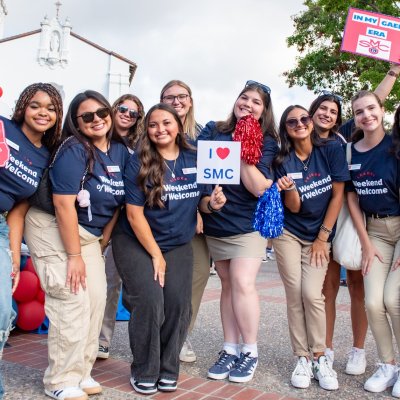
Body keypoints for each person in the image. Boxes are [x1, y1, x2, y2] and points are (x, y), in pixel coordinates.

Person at [112, 103, 226, 395]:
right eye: (153, 124)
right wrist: (156, 256)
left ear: (178, 125)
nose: (160, 129)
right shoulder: (138, 160)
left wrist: (210, 205)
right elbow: (134, 215)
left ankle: (167, 368)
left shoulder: (194, 156)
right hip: (138, 240)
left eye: (166, 123)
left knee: (178, 304)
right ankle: (144, 369)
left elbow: (199, 201)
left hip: (177, 241)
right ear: (146, 130)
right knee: (150, 300)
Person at [24, 90, 130, 400]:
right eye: (87, 116)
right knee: (71, 299)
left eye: (101, 113)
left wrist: (99, 244)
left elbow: (117, 205)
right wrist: (74, 256)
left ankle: (81, 371)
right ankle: (60, 379)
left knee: (96, 300)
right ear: (77, 121)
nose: (96, 119)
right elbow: (62, 205)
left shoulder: (120, 151)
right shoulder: (74, 149)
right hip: (54, 227)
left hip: (89, 236)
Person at [309, 63, 400, 375]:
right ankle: (326, 349)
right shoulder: (298, 138)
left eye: (333, 111)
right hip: (317, 227)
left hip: (347, 223)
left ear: (340, 118)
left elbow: (371, 104)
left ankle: (359, 351)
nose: (326, 115)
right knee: (327, 289)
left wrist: (392, 73)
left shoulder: (344, 137)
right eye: (321, 109)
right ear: (310, 114)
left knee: (361, 288)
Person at [198, 80, 278, 383]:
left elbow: (259, 187)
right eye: (244, 97)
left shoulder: (268, 141)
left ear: (264, 110)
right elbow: (201, 173)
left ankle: (250, 351)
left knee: (244, 283)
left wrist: (244, 147)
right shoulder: (214, 129)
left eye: (256, 102)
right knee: (228, 285)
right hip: (217, 222)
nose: (248, 104)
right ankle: (229, 349)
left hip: (248, 225)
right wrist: (207, 204)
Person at [272, 105, 349, 391]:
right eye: (292, 121)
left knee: (311, 294)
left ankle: (320, 356)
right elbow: (294, 206)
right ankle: (302, 358)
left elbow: (338, 195)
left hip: (319, 235)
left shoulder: (329, 149)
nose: (300, 123)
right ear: (286, 128)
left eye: (304, 118)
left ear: (311, 121)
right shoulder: (282, 159)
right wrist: (290, 188)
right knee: (294, 294)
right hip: (289, 234)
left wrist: (323, 237)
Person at [0, 83, 63, 399]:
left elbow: (19, 209)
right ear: (23, 106)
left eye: (51, 108)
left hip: (0, 225)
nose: (43, 112)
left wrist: (13, 257)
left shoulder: (44, 159)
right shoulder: (3, 128)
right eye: (36, 105)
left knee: (1, 310)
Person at [347, 91, 400, 397]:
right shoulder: (352, 152)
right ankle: (387, 365)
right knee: (371, 302)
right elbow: (353, 197)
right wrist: (366, 243)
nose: (366, 115)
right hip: (376, 232)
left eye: (371, 108)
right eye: (358, 112)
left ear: (382, 109)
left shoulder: (395, 145)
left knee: (393, 300)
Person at [160, 80, 208, 363]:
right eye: (170, 97)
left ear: (190, 100)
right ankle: (159, 334)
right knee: (164, 281)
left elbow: (205, 178)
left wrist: (201, 209)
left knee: (196, 278)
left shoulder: (203, 134)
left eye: (182, 96)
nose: (176, 101)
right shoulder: (153, 129)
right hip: (163, 218)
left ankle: (180, 336)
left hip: (198, 220)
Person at [97, 93, 144, 360]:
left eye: (133, 112)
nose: (127, 114)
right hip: (95, 219)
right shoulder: (98, 137)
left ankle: (102, 340)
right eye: (122, 108)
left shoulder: (137, 147)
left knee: (111, 283)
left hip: (124, 222)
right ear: (113, 109)